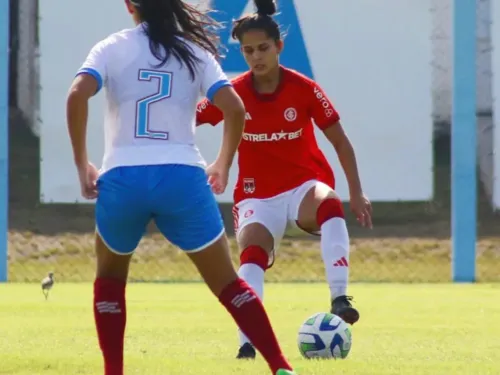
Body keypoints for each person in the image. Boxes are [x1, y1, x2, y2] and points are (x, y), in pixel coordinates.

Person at [65, 1, 296, 374]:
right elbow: (234, 108)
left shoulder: (111, 46)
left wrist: (82, 166)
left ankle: (114, 372)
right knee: (229, 285)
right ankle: (280, 366)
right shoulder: (194, 50)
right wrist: (222, 163)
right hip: (182, 179)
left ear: (129, 5)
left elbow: (77, 95)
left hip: (124, 178)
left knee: (109, 281)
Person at [196, 0, 373, 360]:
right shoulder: (233, 94)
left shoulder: (304, 88)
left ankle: (340, 297)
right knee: (252, 255)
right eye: (247, 50)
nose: (256, 56)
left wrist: (356, 191)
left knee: (329, 205)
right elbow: (189, 120)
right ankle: (247, 343)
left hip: (302, 188)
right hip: (256, 197)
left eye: (263, 48)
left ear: (279, 46)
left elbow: (340, 141)